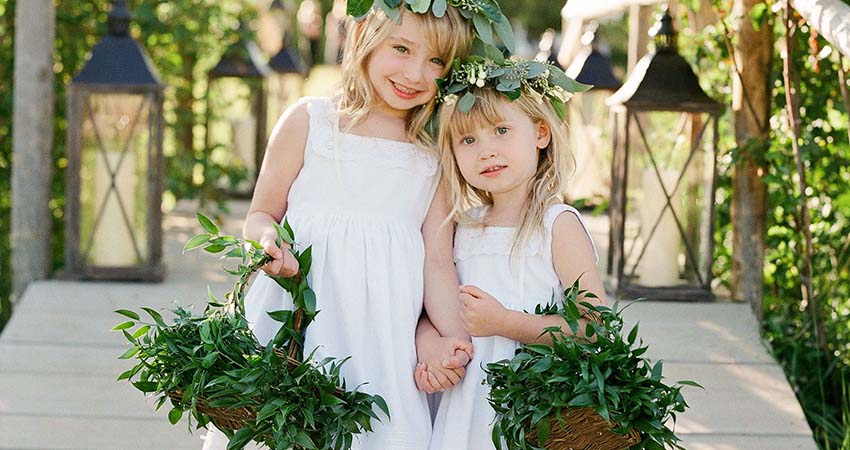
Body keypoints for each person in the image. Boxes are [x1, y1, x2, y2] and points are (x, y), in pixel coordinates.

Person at [200, 6, 473, 450]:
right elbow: (260, 214)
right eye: (401, 49)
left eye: (436, 61)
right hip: (296, 324)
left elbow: (438, 263)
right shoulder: (309, 121)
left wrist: (456, 341)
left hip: (380, 345)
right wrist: (269, 242)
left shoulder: (433, 153)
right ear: (364, 35)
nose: (415, 73)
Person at [415, 58, 608, 450]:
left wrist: (506, 322)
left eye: (501, 131)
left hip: (531, 412)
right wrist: (429, 346)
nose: (486, 151)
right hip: (462, 407)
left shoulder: (558, 226)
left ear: (540, 133)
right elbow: (424, 309)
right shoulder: (461, 226)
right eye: (468, 140)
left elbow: (594, 329)